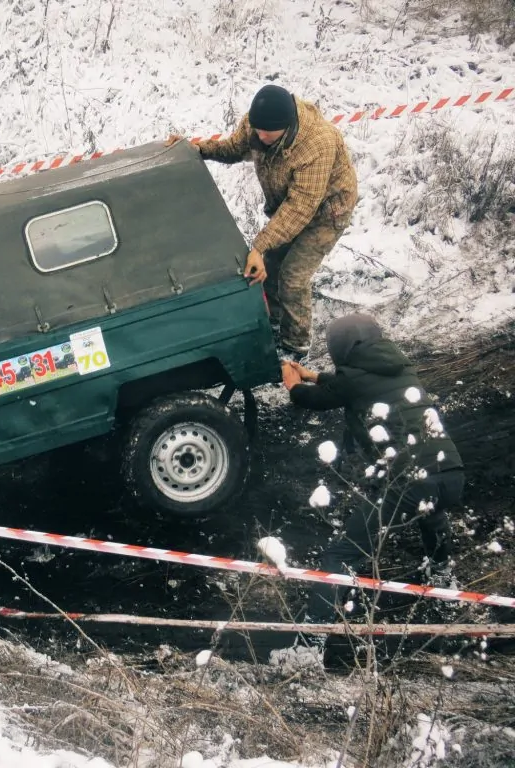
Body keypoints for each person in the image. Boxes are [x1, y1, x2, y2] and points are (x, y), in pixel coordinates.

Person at [280, 313, 464, 662]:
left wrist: (293, 383)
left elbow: (313, 398)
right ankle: (442, 575)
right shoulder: (399, 367)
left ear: (341, 348)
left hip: (409, 480)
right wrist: (316, 376)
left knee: (339, 556)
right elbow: (349, 385)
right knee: (430, 509)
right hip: (450, 471)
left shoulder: (353, 379)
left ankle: (308, 647)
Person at [166, 85, 358, 362]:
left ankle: (296, 347)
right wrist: (197, 148)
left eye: (267, 133)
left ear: (287, 126)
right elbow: (233, 148)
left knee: (292, 278)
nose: (260, 136)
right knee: (269, 268)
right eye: (257, 131)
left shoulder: (317, 143)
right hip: (288, 207)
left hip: (326, 214)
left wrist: (259, 244)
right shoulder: (258, 125)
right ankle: (275, 324)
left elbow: (301, 207)